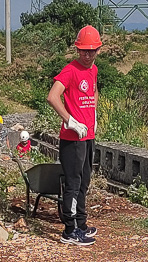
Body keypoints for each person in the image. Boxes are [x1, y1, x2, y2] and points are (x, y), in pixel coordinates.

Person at [47, 25, 102, 247]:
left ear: (98, 50)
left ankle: (81, 222)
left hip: (87, 135)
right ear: (78, 50)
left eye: (92, 51)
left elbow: (94, 90)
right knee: (73, 182)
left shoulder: (94, 69)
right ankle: (69, 230)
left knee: (84, 181)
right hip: (72, 138)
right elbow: (53, 97)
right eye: (84, 51)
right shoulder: (70, 70)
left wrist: (94, 114)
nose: (88, 55)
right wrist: (69, 120)